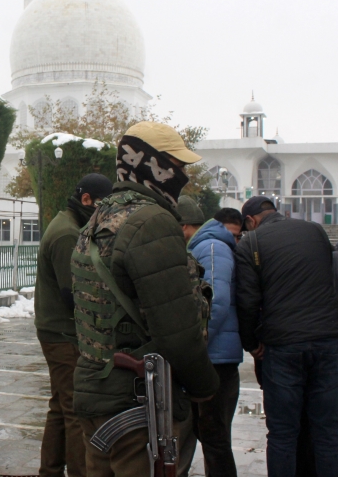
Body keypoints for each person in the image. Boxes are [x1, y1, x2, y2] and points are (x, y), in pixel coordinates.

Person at [71, 122, 219, 476]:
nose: (183, 174)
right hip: (135, 402)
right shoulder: (152, 221)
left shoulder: (101, 216)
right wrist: (205, 386)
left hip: (98, 390)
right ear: (151, 164)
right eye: (177, 164)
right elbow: (178, 330)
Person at [235, 195, 338, 477]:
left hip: (282, 345)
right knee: (327, 432)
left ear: (250, 221)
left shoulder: (252, 242)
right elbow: (332, 277)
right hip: (327, 339)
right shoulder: (314, 230)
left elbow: (247, 301)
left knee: (283, 433)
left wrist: (251, 343)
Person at [35, 173, 113, 477]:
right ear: (86, 200)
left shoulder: (68, 224)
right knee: (76, 409)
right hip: (63, 334)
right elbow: (74, 295)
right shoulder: (68, 233)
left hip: (57, 330)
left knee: (60, 405)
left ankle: (50, 470)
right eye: (102, 207)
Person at [187, 206, 242, 477]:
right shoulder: (209, 245)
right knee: (210, 434)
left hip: (215, 358)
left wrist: (197, 346)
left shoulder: (210, 247)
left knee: (214, 435)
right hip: (216, 356)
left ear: (185, 226)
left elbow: (215, 301)